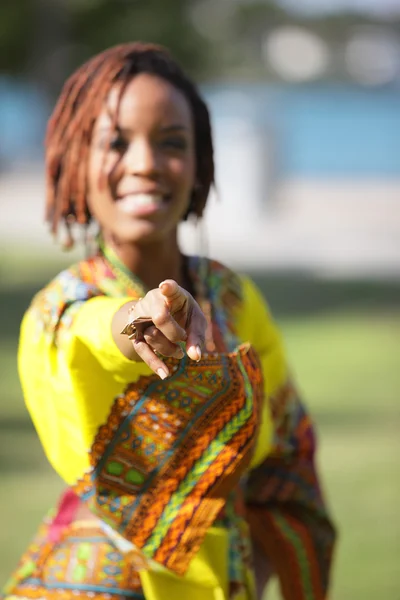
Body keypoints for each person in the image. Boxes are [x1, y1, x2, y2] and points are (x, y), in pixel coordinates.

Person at [3, 42, 336, 600]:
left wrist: (250, 566)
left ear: (201, 163)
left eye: (172, 143)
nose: (146, 163)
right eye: (115, 142)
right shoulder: (58, 311)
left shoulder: (232, 298)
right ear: (74, 160)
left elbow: (287, 447)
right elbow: (94, 334)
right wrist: (138, 318)